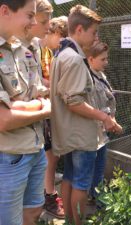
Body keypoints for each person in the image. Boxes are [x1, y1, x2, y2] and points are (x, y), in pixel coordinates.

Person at [50, 5, 118, 224]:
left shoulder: (62, 53)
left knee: (70, 177)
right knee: (82, 183)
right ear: (79, 29)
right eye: (93, 32)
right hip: (80, 134)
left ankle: (71, 220)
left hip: (70, 132)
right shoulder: (75, 60)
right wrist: (104, 117)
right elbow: (74, 101)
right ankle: (77, 222)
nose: (96, 36)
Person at [0, 0, 51, 224]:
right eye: (29, 15)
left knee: (33, 210)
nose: (33, 22)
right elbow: (4, 120)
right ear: (4, 11)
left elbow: (39, 92)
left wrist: (24, 105)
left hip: (35, 147)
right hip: (8, 157)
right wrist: (43, 110)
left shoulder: (19, 49)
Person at [39, 15, 68, 219]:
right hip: (42, 109)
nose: (63, 42)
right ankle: (49, 197)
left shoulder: (50, 51)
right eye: (62, 37)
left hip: (50, 108)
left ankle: (47, 192)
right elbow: (37, 79)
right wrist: (54, 86)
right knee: (50, 157)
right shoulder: (35, 48)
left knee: (53, 156)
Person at [87, 42, 122, 201]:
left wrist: (112, 118)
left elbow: (109, 99)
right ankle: (95, 197)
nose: (106, 62)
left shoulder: (100, 74)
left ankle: (96, 195)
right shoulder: (88, 78)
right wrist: (108, 120)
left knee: (100, 166)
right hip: (91, 131)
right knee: (89, 167)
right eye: (103, 59)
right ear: (91, 59)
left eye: (107, 59)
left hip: (102, 130)